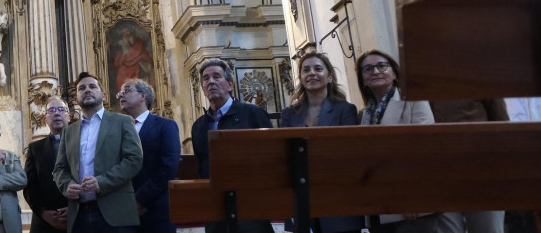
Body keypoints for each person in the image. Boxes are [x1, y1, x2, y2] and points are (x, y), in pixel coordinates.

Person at [356, 51, 464, 233]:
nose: (375, 71)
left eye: (382, 66)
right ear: (363, 79)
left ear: (395, 74)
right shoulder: (365, 114)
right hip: (379, 203)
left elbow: (426, 151)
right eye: (368, 69)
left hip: (410, 204)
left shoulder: (413, 100)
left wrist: (412, 198)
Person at [278, 53, 361, 233]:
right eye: (306, 70)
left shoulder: (345, 110)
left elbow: (348, 153)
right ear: (301, 77)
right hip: (301, 197)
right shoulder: (289, 114)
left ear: (329, 76)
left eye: (318, 68)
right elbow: (285, 156)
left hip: (337, 196)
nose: (312, 73)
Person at [53, 72, 143, 233]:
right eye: (82, 88)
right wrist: (68, 185)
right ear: (75, 99)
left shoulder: (122, 121)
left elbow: (134, 159)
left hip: (116, 215)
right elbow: (59, 169)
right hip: (79, 215)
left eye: (92, 86)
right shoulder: (69, 132)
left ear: (103, 95)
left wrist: (101, 182)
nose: (87, 90)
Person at [190, 58, 272, 233]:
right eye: (206, 78)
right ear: (203, 88)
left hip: (250, 206)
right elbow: (202, 168)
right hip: (216, 210)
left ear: (229, 84)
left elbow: (270, 158)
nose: (210, 81)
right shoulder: (198, 126)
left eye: (216, 76)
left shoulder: (253, 114)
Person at [430, 98, 509, 233]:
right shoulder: (423, 82)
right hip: (439, 171)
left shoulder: (482, 78)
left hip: (481, 168)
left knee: (488, 227)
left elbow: (502, 125)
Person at [116, 79, 179, 233]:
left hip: (156, 210)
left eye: (127, 90)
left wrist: (139, 199)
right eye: (120, 93)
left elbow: (168, 167)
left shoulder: (165, 125)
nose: (121, 96)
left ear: (143, 95)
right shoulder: (117, 130)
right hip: (122, 212)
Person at [24, 97, 71, 233]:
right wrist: (44, 213)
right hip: (44, 223)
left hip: (77, 218)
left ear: (69, 116)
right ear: (45, 119)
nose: (57, 113)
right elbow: (29, 186)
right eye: (51, 110)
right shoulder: (35, 148)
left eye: (61, 109)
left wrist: (75, 208)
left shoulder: (82, 144)